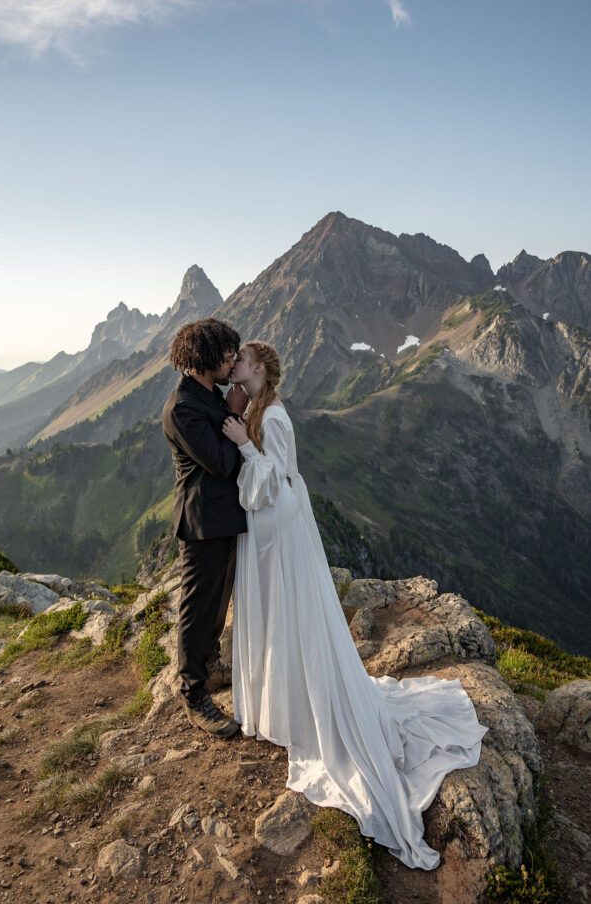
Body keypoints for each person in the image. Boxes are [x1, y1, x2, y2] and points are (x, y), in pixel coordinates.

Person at [221, 340, 489, 871]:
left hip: (277, 528)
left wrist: (242, 446)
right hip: (273, 531)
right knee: (284, 617)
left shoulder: (271, 415)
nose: (235, 367)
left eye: (242, 361)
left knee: (289, 616)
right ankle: (286, 701)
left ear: (260, 368)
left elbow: (273, 479)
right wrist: (236, 423)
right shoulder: (254, 407)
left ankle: (299, 707)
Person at [161, 317, 249, 739]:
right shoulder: (182, 407)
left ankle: (211, 665)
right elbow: (221, 462)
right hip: (201, 522)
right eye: (226, 355)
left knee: (217, 602)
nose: (232, 362)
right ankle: (193, 694)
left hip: (224, 517)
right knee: (195, 611)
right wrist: (234, 418)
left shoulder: (207, 394)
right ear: (204, 358)